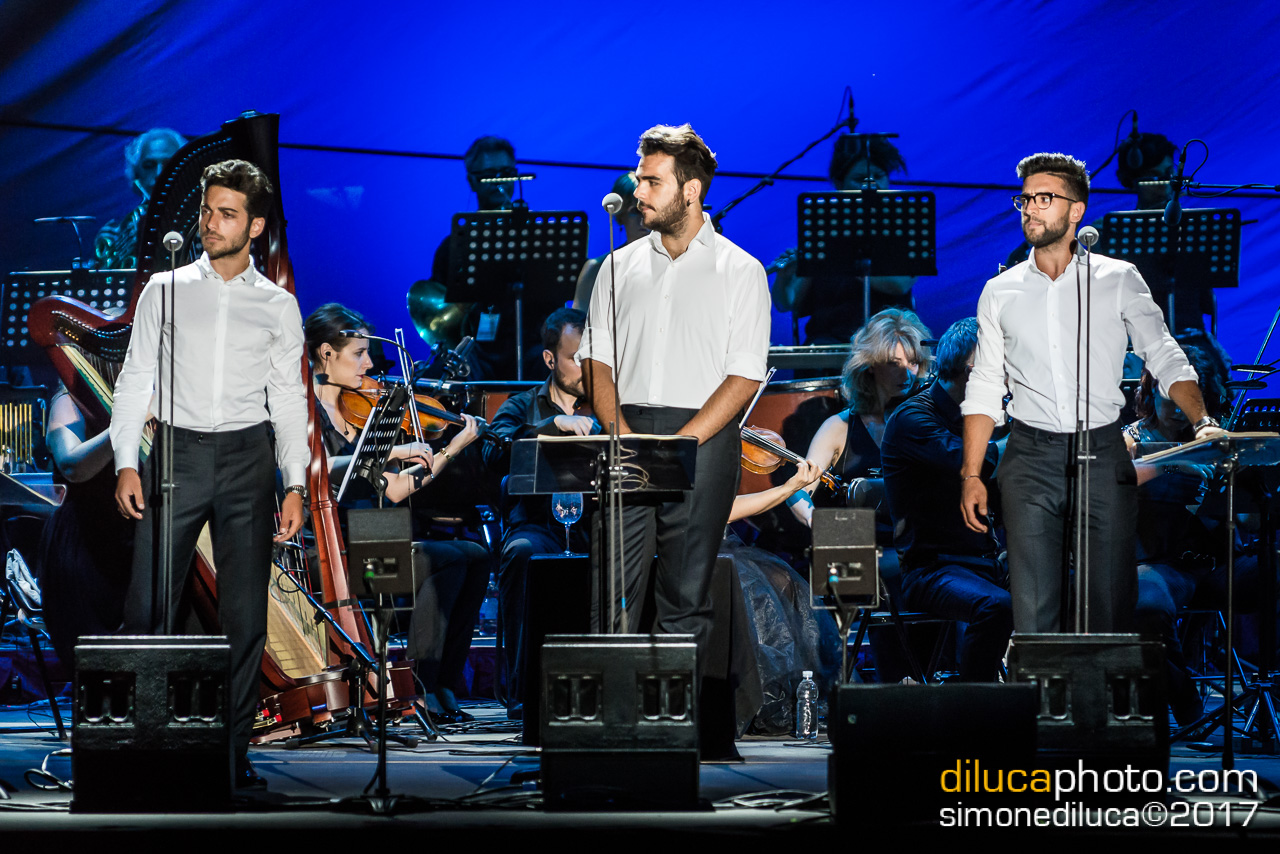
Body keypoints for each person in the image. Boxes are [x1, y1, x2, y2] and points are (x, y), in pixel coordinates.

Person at [960, 152, 1221, 634]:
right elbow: (984, 386)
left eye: (1044, 198)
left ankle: (1106, 687)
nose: (1030, 208)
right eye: (1025, 199)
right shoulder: (999, 291)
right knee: (1035, 611)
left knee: (1109, 607)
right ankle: (1042, 687)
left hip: (1101, 450)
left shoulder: (1118, 278)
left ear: (1076, 210)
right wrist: (972, 473)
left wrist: (1202, 420)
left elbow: (1164, 355)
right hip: (1030, 455)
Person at [111, 159, 308, 788]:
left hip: (248, 458)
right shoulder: (165, 289)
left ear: (255, 227)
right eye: (207, 211)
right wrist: (125, 462)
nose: (211, 223)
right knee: (149, 606)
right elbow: (134, 378)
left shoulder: (277, 305)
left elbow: (290, 399)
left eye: (227, 214)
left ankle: (228, 755)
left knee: (245, 618)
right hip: (177, 453)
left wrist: (295, 482)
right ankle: (145, 747)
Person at [577, 123, 771, 756]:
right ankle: (609, 734)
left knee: (686, 596)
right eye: (639, 179)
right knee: (613, 592)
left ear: (691, 189)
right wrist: (621, 431)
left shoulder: (740, 270)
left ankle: (672, 735)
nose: (638, 192)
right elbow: (597, 363)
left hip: (703, 438)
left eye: (651, 181)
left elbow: (745, 375)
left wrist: (682, 443)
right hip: (627, 431)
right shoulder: (615, 267)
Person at [304, 302, 488, 724]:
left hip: (371, 535)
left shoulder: (360, 413)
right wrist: (392, 450)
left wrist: (450, 449)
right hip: (329, 551)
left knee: (474, 555)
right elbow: (316, 469)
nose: (369, 364)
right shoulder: (304, 412)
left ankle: (439, 681)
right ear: (326, 354)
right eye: (358, 354)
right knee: (440, 562)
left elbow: (395, 489)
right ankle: (416, 686)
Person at [785, 308, 932, 682]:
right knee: (844, 539)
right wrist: (818, 520)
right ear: (870, 368)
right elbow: (797, 494)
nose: (907, 372)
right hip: (854, 542)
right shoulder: (839, 426)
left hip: (910, 543)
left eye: (914, 362)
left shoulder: (926, 422)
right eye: (894, 363)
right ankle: (856, 681)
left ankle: (923, 679)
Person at [481, 307, 598, 717]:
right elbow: (493, 452)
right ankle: (525, 690)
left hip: (594, 527)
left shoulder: (607, 406)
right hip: (538, 526)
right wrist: (551, 428)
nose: (585, 369)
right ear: (550, 359)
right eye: (574, 358)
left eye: (590, 358)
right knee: (522, 553)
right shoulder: (523, 405)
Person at [881, 317, 1012, 682]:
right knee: (995, 606)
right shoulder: (913, 418)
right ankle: (971, 703)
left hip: (986, 562)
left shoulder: (984, 418)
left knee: (1070, 589)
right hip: (931, 570)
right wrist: (1028, 435)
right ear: (972, 372)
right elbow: (974, 462)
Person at [1125, 340, 1239, 724]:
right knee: (1144, 605)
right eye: (1167, 397)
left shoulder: (1214, 441)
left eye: (1186, 399)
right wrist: (1178, 464)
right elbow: (1116, 480)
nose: (1176, 409)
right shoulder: (1131, 439)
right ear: (1150, 393)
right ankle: (1185, 702)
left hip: (1198, 561)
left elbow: (1245, 519)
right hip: (1145, 559)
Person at [769, 135, 917, 345]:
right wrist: (785, 277)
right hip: (826, 343)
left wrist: (843, 254)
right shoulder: (823, 231)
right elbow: (788, 303)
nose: (871, 184)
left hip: (885, 343)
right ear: (840, 184)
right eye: (859, 179)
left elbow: (899, 285)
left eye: (879, 176)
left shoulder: (901, 228)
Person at [36, 383, 133, 665]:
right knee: (95, 661)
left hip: (129, 543)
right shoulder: (69, 399)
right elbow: (72, 466)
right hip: (84, 546)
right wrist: (130, 422)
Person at [94, 128, 187, 269]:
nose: (159, 173)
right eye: (149, 166)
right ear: (136, 175)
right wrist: (105, 264)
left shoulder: (207, 220)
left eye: (169, 165)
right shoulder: (118, 231)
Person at [572, 171, 649, 311]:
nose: (645, 220)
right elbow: (578, 322)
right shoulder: (596, 269)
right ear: (620, 216)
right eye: (636, 212)